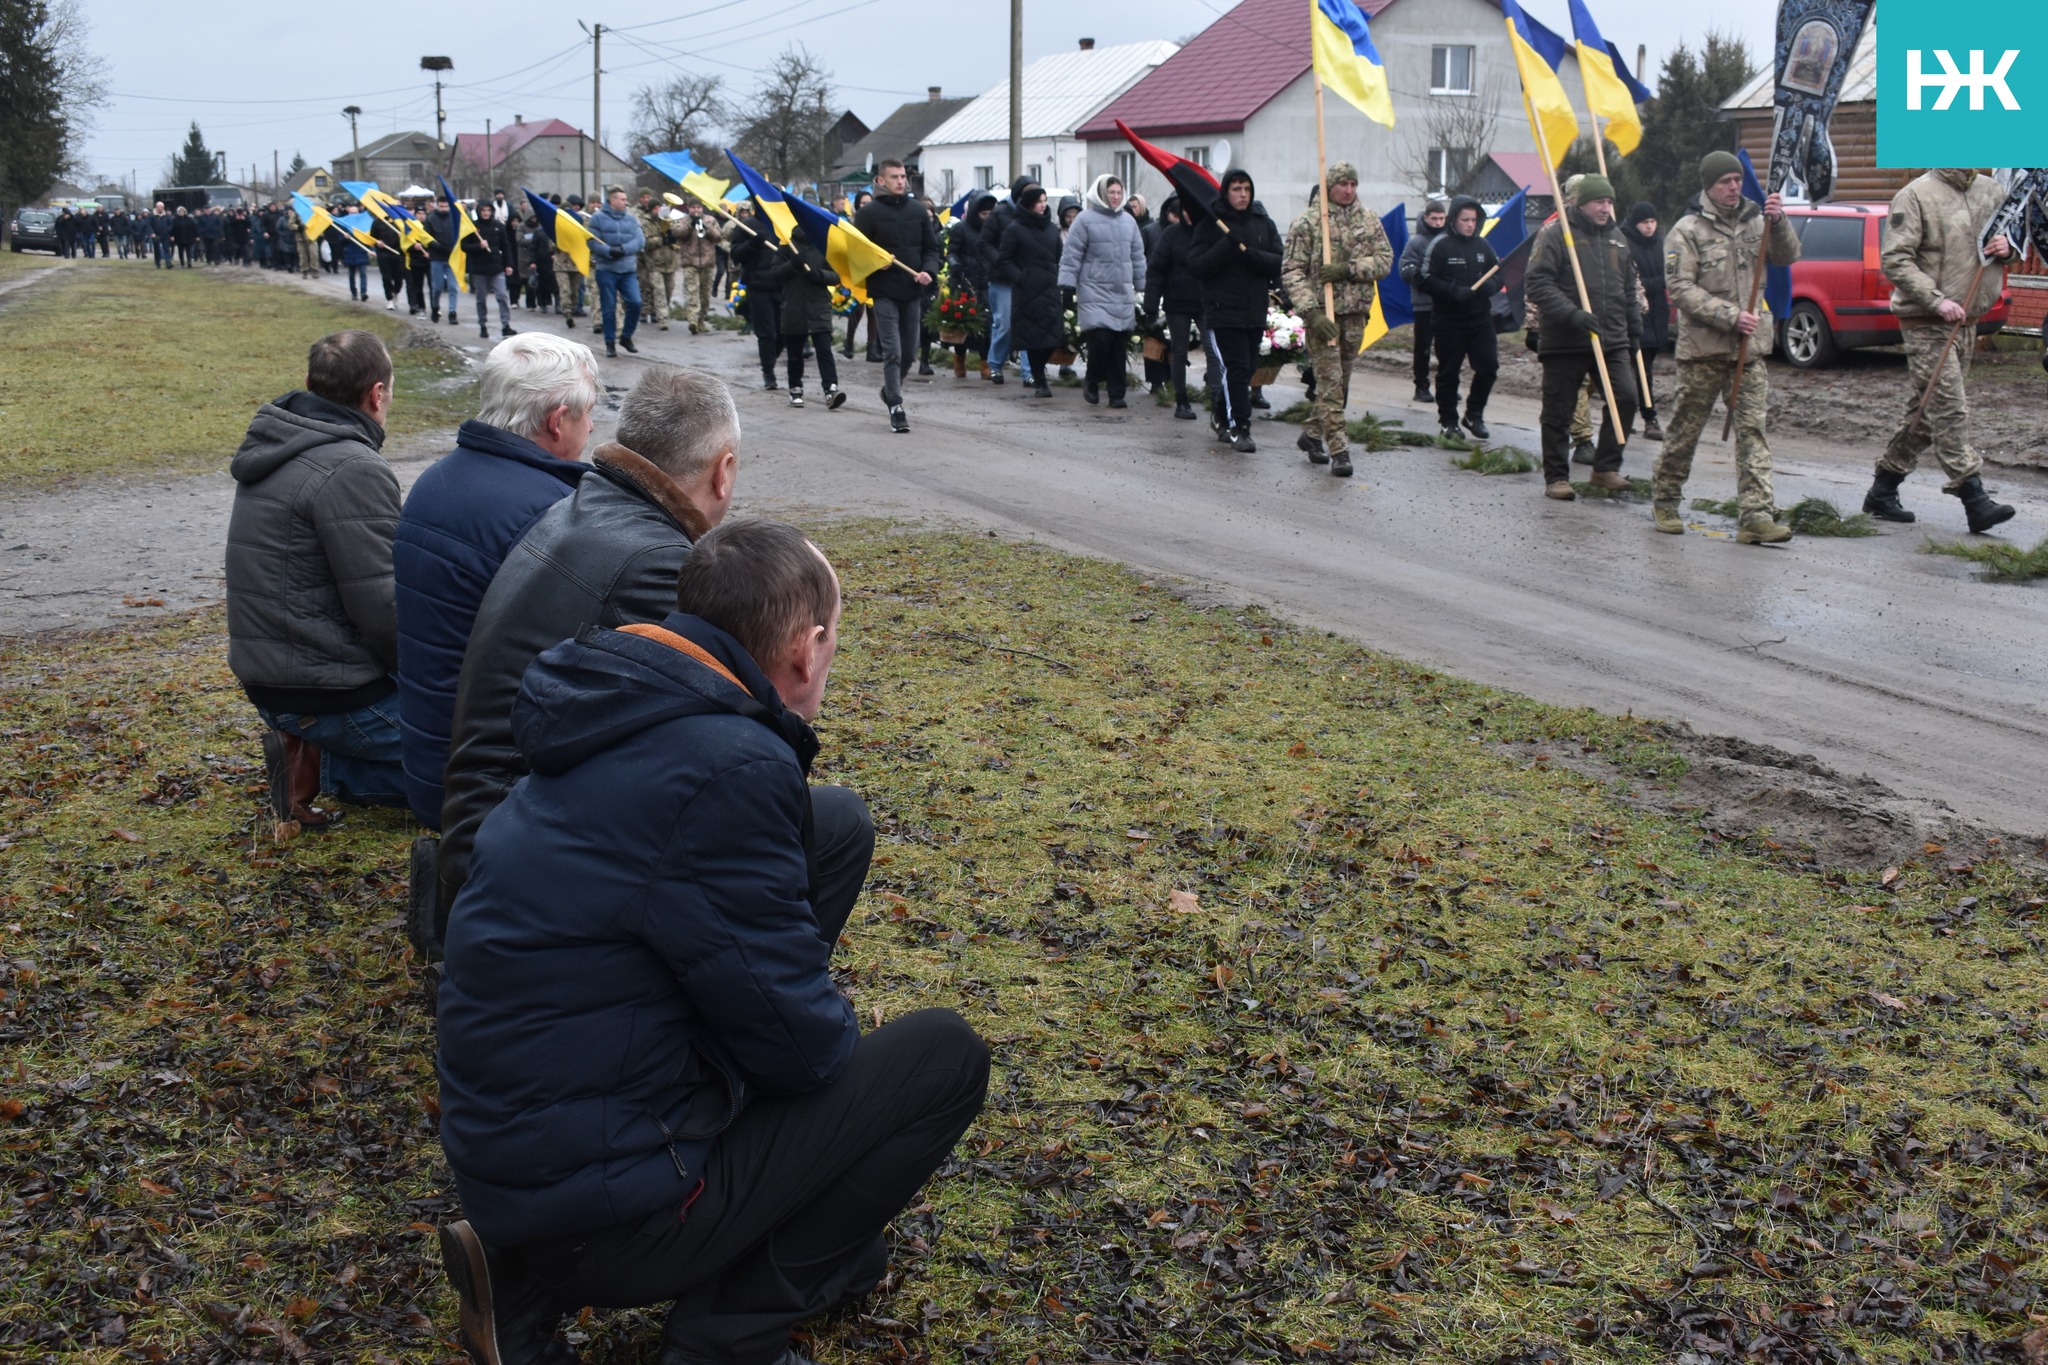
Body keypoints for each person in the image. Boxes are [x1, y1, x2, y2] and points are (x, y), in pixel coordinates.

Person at [433, 518, 987, 1365]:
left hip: (519, 1152)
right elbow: (804, 1054)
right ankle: (726, 1337)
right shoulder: (729, 768)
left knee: (831, 824)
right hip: (607, 1212)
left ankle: (524, 1282)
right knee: (942, 1057)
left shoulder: (625, 693)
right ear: (806, 651)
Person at [430, 367, 740, 952]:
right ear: (723, 471)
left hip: (485, 827)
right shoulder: (658, 563)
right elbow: (719, 744)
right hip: (511, 870)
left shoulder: (583, 505)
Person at [393, 334, 598, 831]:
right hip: (493, 786)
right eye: (587, 415)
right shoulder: (549, 516)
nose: (592, 428)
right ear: (556, 419)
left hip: (429, 757)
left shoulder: (437, 479)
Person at [225, 331, 407, 829]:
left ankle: (307, 753)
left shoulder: (277, 446)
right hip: (328, 690)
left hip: (276, 677)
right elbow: (383, 606)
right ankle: (329, 769)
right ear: (377, 393)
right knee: (479, 765)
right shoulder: (352, 467)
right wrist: (433, 684)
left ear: (308, 384)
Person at [1649, 153, 1802, 542]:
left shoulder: (1757, 221)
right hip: (1703, 350)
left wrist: (1779, 221)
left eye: (1737, 179)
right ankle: (1665, 500)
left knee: (1753, 432)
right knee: (1685, 430)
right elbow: (1680, 289)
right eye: (1725, 181)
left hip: (1749, 353)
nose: (1734, 186)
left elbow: (1787, 256)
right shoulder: (1687, 231)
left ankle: (1755, 515)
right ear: (1708, 186)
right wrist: (1729, 315)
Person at [1864, 167, 2019, 533]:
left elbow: (2012, 241)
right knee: (1949, 407)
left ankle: (1883, 490)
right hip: (1927, 321)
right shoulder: (1915, 195)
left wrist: (2008, 250)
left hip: (1967, 320)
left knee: (1926, 414)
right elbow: (1896, 259)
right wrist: (1935, 301)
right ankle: (1974, 497)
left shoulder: (1992, 191)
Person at [1526, 173, 1640, 501]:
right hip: (1567, 337)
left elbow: (1628, 288)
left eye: (1609, 201)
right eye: (1599, 201)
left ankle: (1605, 468)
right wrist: (1571, 313)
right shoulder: (1555, 234)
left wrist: (1634, 330)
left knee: (1626, 398)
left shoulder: (1617, 237)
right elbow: (1538, 282)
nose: (1606, 208)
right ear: (1580, 202)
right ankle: (1557, 477)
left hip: (1611, 338)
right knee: (1559, 411)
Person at [1281, 161, 1394, 475]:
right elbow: (1292, 272)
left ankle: (1312, 434)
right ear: (1329, 185)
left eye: (1353, 184)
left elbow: (1385, 262)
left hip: (1356, 315)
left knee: (1339, 385)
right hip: (1323, 317)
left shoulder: (1368, 220)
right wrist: (1312, 313)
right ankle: (1340, 451)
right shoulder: (1309, 222)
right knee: (1330, 384)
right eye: (1343, 184)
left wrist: (1348, 269)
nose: (1349, 190)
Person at [1190, 169, 1283, 454]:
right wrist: (1225, 247)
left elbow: (1279, 260)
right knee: (1237, 369)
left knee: (1248, 369)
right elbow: (1197, 266)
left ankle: (1220, 412)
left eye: (1246, 189)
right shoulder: (1211, 225)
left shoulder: (1262, 224)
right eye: (1236, 189)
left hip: (1254, 310)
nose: (1242, 194)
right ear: (1225, 192)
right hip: (1222, 312)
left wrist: (1254, 257)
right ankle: (1239, 426)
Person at [853, 160, 943, 435]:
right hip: (884, 292)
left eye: (903, 176)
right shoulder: (868, 214)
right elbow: (857, 253)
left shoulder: (918, 211)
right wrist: (873, 263)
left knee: (909, 352)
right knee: (892, 350)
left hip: (912, 291)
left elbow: (932, 249)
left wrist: (928, 271)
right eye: (894, 177)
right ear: (881, 181)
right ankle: (896, 404)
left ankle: (889, 389)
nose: (901, 181)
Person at [1417, 195, 1502, 447]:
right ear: (1454, 219)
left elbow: (1499, 274)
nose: (1470, 225)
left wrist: (1490, 286)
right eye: (1465, 219)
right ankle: (1449, 422)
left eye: (1474, 220)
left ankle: (1474, 414)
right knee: (1448, 373)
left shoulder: (1483, 246)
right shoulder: (1440, 245)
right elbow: (1423, 278)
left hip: (1480, 319)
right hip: (1448, 320)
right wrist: (1453, 291)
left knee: (1489, 366)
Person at [1058, 174, 1146, 408]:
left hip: (1121, 292)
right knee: (1101, 339)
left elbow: (1137, 256)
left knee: (1118, 343)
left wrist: (1142, 286)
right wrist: (1067, 284)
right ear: (1101, 194)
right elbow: (1072, 254)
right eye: (1111, 193)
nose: (1115, 197)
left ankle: (1117, 394)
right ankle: (1092, 379)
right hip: (1094, 289)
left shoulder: (1129, 221)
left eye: (1119, 192)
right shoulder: (1085, 220)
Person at [992, 185, 1066, 399]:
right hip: (1027, 292)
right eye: (1039, 201)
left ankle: (1038, 370)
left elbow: (1059, 257)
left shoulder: (1052, 229)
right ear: (1029, 203)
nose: (1043, 204)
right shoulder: (1014, 229)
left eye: (1045, 200)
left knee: (1052, 338)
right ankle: (1040, 381)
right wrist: (1021, 277)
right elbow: (1004, 260)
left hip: (1050, 289)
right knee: (1033, 339)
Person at [768, 225, 848, 410]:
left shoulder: (823, 245)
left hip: (819, 306)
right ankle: (795, 388)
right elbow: (775, 274)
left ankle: (831, 389)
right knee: (795, 354)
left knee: (824, 350)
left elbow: (837, 275)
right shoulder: (787, 245)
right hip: (793, 307)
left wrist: (820, 275)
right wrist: (793, 264)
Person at [1144, 196, 1206, 421]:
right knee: (1179, 351)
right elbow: (1156, 270)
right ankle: (1182, 401)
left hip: (1205, 302)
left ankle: (1217, 399)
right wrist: (1151, 304)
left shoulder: (1207, 233)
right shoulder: (1171, 234)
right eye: (1185, 211)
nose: (1189, 215)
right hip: (1177, 302)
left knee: (1213, 351)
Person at [978, 176, 1039, 385]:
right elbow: (984, 242)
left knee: (1028, 324)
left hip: (1027, 278)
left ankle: (1028, 372)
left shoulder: (1035, 216)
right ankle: (995, 364)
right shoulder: (1000, 213)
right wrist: (1001, 261)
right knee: (1004, 324)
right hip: (1003, 279)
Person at [1622, 202, 1668, 440]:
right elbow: (1631, 281)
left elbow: (1670, 270)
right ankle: (1648, 416)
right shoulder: (1626, 244)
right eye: (1644, 223)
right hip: (1636, 314)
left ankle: (1627, 414)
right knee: (1640, 369)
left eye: (1652, 222)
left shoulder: (1661, 243)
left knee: (1643, 368)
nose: (1649, 227)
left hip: (1657, 313)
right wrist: (1659, 282)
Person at [1397, 199, 1448, 404]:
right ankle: (1421, 385)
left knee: (1448, 347)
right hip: (1424, 303)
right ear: (1426, 218)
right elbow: (1405, 267)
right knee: (1423, 348)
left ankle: (1446, 384)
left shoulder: (1449, 240)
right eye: (1434, 218)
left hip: (1447, 303)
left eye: (1441, 218)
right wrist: (1424, 279)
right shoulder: (1416, 242)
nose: (1437, 222)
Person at [589, 186, 647, 358]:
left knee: (635, 303)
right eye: (622, 199)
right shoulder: (597, 218)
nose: (625, 202)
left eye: (625, 199)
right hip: (606, 270)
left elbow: (640, 240)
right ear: (612, 200)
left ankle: (626, 336)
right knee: (609, 308)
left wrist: (623, 249)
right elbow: (591, 242)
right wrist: (608, 250)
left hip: (628, 269)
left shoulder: (631, 219)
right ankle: (609, 342)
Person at [730, 210, 785, 392]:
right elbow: (736, 254)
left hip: (783, 285)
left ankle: (771, 359)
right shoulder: (748, 226)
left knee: (784, 333)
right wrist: (752, 244)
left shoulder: (784, 223)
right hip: (758, 287)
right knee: (766, 334)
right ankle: (768, 373)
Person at [946, 192, 998, 369]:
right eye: (984, 214)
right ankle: (959, 357)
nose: (987, 218)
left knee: (986, 326)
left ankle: (985, 363)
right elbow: (951, 252)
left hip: (986, 283)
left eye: (990, 214)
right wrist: (955, 265)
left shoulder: (993, 231)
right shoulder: (960, 229)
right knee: (964, 325)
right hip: (964, 282)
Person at [462, 200, 519, 340]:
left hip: (496, 267)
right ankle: (483, 325)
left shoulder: (498, 226)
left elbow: (506, 246)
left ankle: (506, 325)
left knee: (502, 296)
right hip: (479, 269)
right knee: (481, 299)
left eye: (488, 210)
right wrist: (478, 246)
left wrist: (508, 265)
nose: (486, 213)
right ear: (479, 212)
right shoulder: (473, 227)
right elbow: (464, 246)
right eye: (483, 211)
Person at [674, 199, 722, 334]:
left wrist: (708, 228)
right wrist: (690, 225)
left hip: (708, 263)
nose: (696, 210)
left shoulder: (710, 220)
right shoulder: (683, 220)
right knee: (692, 292)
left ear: (702, 208)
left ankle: (701, 320)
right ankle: (693, 320)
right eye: (693, 207)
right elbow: (677, 233)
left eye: (698, 207)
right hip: (690, 262)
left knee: (705, 295)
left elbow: (718, 237)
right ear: (689, 208)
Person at [637, 191, 681, 332]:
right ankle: (663, 319)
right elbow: (645, 242)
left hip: (670, 263)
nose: (658, 210)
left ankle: (658, 313)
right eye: (655, 208)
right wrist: (662, 239)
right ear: (651, 210)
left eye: (659, 208)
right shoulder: (645, 223)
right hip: (654, 264)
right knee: (659, 291)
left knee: (669, 291)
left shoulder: (669, 219)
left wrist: (674, 237)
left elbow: (678, 236)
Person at [842, 189, 877, 361]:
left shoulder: (878, 223)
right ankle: (849, 343)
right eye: (863, 203)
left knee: (873, 311)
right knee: (857, 309)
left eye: (869, 202)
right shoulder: (853, 226)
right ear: (857, 205)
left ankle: (872, 349)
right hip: (857, 271)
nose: (867, 206)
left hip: (874, 271)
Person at [555, 195, 590, 329]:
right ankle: (567, 314)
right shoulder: (556, 228)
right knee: (565, 290)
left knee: (575, 292)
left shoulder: (579, 223)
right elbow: (551, 245)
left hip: (576, 264)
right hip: (561, 264)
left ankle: (573, 309)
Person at [424, 195, 459, 323]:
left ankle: (452, 312)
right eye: (441, 206)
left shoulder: (454, 217)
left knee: (453, 287)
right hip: (437, 257)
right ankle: (435, 307)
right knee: (437, 287)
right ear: (437, 205)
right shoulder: (431, 219)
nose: (444, 209)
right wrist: (442, 248)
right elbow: (427, 239)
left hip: (452, 258)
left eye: (446, 206)